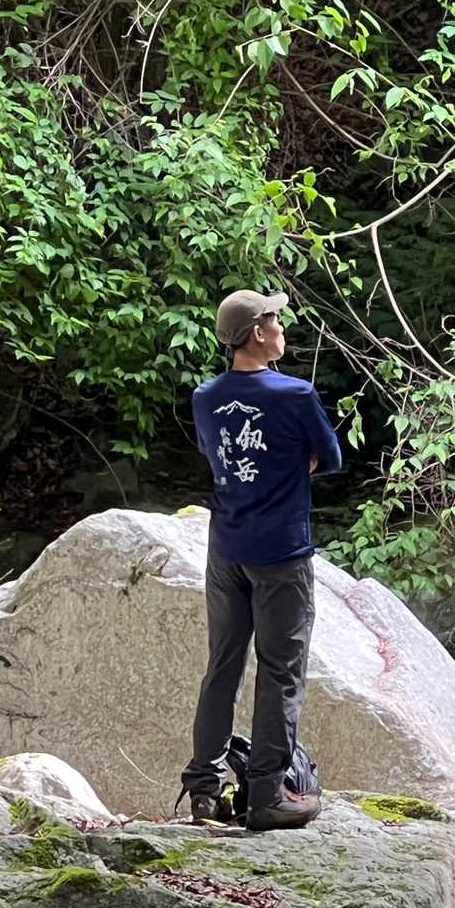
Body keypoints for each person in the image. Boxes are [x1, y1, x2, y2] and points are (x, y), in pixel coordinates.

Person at [181, 289, 343, 831]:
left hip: (226, 549)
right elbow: (330, 457)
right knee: (280, 671)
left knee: (222, 665)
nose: (282, 329)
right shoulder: (295, 394)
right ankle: (268, 794)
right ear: (257, 333)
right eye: (276, 321)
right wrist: (295, 460)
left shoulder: (205, 396)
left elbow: (214, 454)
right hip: (281, 554)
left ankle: (204, 789)